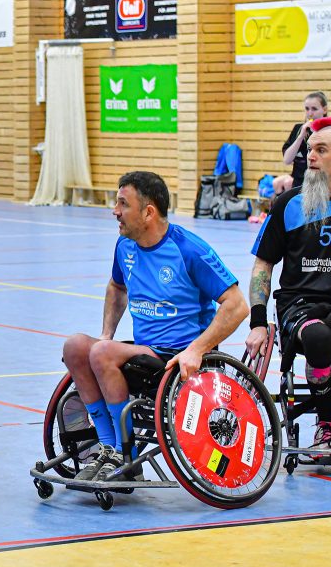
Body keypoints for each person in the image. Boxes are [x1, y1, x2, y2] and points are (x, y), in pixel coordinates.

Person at [62, 171, 248, 481]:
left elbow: (237, 305)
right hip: (145, 352)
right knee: (77, 347)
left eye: (123, 204)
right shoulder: (125, 247)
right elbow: (117, 287)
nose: (115, 211)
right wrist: (106, 334)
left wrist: (197, 350)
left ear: (148, 212)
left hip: (180, 358)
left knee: (102, 354)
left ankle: (126, 455)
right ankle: (109, 448)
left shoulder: (189, 249)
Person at [247, 116, 331, 461]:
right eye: (309, 150)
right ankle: (323, 425)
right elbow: (263, 266)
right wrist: (258, 321)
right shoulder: (288, 204)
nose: (311, 158)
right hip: (299, 304)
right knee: (319, 336)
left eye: (321, 150)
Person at [273, 92, 329, 195]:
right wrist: (300, 137)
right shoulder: (298, 129)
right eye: (307, 109)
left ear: (324, 110)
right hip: (298, 184)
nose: (310, 113)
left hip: (320, 184)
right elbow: (287, 160)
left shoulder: (330, 131)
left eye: (314, 109)